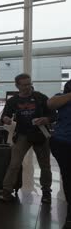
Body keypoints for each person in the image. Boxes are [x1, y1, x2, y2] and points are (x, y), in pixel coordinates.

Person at [0, 73, 54, 203]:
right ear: (17, 86)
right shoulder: (13, 101)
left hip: (40, 135)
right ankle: (7, 190)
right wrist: (6, 119)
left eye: (29, 84)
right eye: (24, 85)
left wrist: (46, 119)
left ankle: (46, 192)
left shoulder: (40, 98)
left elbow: (53, 114)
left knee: (45, 165)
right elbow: (5, 116)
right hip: (22, 135)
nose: (27, 87)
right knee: (14, 164)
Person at [47, 80, 71, 228]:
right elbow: (50, 104)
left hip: (62, 142)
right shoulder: (61, 98)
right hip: (63, 143)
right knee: (68, 177)